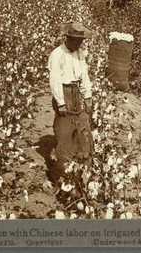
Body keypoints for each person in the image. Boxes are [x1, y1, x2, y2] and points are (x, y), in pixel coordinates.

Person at [47, 21, 94, 183]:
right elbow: (55, 80)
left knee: (82, 126)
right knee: (65, 129)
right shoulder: (57, 54)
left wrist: (87, 97)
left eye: (81, 41)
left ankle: (82, 163)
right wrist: (60, 102)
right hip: (64, 92)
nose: (79, 44)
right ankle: (59, 172)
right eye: (76, 41)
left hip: (75, 93)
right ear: (67, 38)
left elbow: (84, 76)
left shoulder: (80, 53)